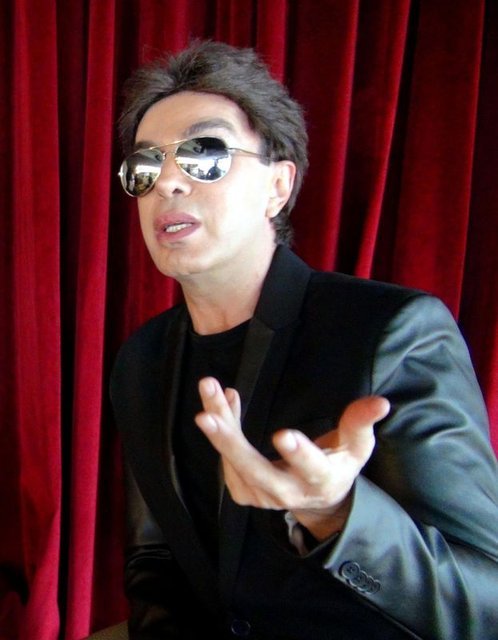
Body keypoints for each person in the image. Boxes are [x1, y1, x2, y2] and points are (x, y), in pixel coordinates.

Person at [110, 40, 498, 640]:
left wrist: (335, 514)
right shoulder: (141, 360)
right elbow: (156, 559)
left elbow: (484, 601)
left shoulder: (391, 332)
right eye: (145, 166)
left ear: (278, 185)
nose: (167, 183)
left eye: (204, 154)